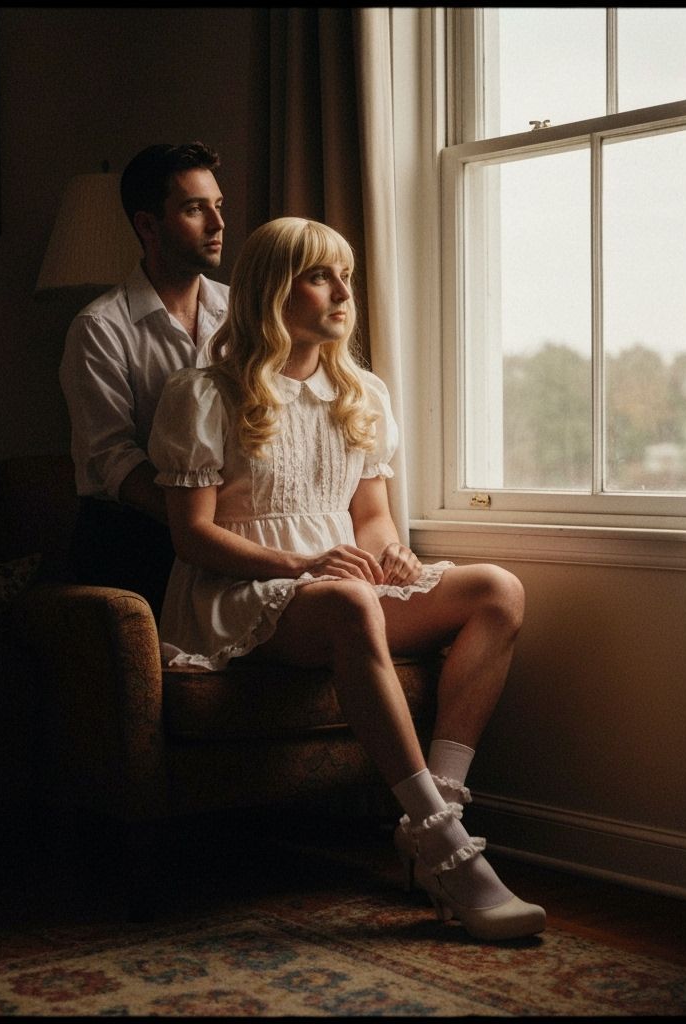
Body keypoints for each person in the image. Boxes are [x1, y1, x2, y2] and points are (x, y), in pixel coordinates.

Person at [147, 216, 546, 942]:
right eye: (320, 275)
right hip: (242, 593)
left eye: (347, 277)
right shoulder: (202, 393)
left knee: (497, 589)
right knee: (350, 600)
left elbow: (371, 520)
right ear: (273, 289)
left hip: (340, 587)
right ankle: (446, 847)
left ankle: (439, 816)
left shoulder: (361, 392)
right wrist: (302, 563)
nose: (342, 292)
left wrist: (391, 554)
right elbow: (192, 536)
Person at [59, 142, 228, 617]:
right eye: (196, 209)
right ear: (148, 225)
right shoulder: (99, 328)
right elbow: (113, 456)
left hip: (221, 530)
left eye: (218, 207)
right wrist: (202, 528)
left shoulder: (242, 316)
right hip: (130, 540)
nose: (217, 225)